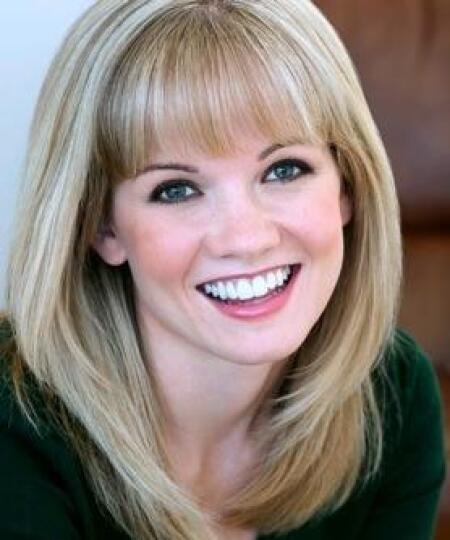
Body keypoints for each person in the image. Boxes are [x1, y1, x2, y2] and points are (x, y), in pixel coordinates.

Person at [0, 1, 446, 539]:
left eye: (284, 170)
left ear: (346, 187)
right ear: (102, 227)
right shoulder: (13, 427)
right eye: (176, 190)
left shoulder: (391, 397)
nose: (246, 239)